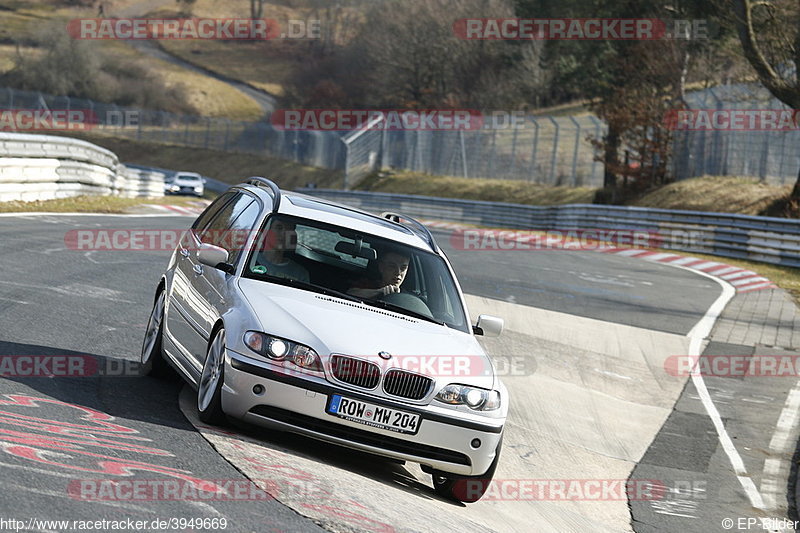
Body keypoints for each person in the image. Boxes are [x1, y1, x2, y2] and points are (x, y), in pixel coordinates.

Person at [253, 218, 310, 283]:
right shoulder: (250, 260)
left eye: (288, 230)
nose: (283, 234)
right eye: (279, 228)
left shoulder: (300, 273)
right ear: (267, 231)